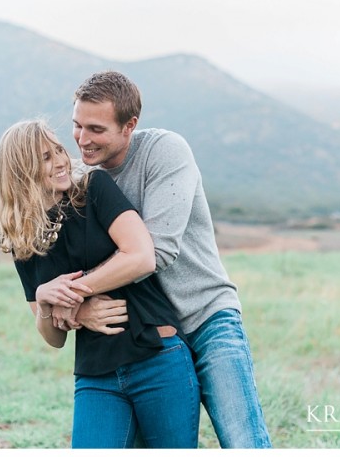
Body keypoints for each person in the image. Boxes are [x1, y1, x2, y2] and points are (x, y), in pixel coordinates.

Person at [61, 71, 272, 448]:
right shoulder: (82, 180)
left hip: (206, 318)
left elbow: (154, 253)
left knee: (244, 442)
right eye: (77, 125)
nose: (82, 139)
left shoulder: (164, 151)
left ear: (130, 126)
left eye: (95, 128)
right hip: (147, 337)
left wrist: (74, 296)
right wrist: (65, 301)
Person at [0, 120, 200, 449]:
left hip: (156, 354)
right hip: (95, 372)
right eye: (46, 157)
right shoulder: (24, 241)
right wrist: (46, 302)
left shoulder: (94, 189)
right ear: (22, 169)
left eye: (59, 149)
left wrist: (73, 298)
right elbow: (53, 337)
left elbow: (141, 256)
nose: (61, 160)